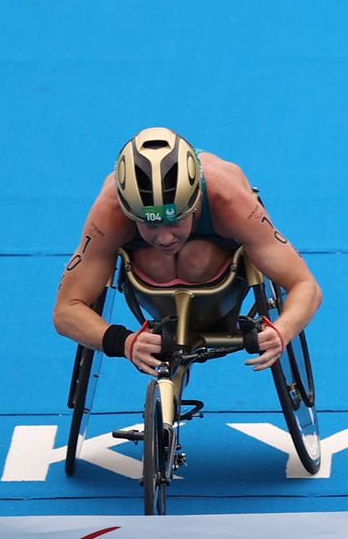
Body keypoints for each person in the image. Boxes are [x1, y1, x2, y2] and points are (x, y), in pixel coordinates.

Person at [53, 127, 320, 375]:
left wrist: (283, 330)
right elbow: (66, 310)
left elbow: (304, 284)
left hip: (222, 286)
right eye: (149, 224)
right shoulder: (108, 215)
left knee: (196, 257)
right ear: (127, 210)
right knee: (157, 259)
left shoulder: (229, 201)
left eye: (175, 220)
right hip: (151, 282)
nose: (165, 237)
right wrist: (124, 341)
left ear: (196, 202)